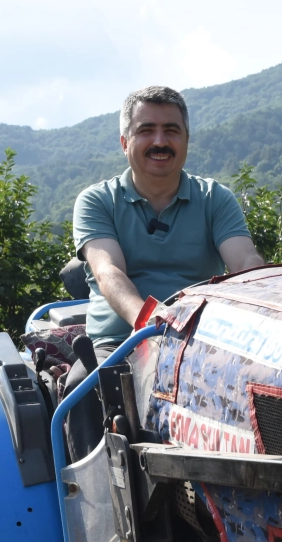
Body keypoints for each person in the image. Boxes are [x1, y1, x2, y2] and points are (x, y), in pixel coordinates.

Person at [73, 85, 264, 351]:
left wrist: (270, 303)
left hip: (200, 343)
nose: (160, 142)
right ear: (125, 143)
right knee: (86, 390)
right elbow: (109, 272)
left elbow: (245, 261)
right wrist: (151, 322)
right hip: (119, 346)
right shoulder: (98, 200)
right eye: (146, 130)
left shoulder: (215, 198)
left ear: (186, 139)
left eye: (171, 131)